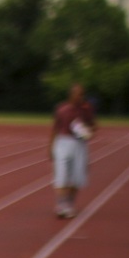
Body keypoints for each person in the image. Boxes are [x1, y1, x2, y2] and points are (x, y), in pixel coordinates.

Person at [50, 83, 97, 219]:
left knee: (77, 177)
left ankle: (69, 203)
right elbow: (55, 128)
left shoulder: (86, 109)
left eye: (82, 94)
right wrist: (50, 148)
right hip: (63, 142)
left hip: (79, 144)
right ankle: (61, 204)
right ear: (71, 94)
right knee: (61, 174)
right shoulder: (62, 109)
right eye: (78, 94)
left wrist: (88, 132)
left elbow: (93, 126)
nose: (81, 97)